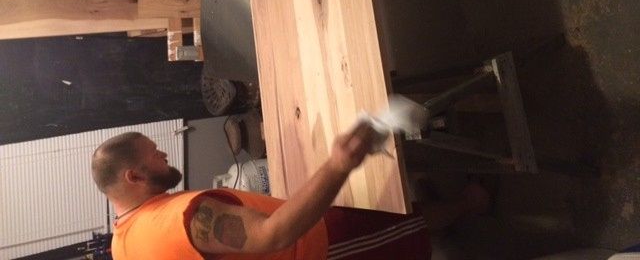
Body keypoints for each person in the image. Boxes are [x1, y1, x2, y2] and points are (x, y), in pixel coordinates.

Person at [91, 124, 489, 260]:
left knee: (390, 221)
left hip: (309, 240)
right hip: (318, 247)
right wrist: (339, 163)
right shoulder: (177, 221)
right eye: (154, 153)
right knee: (405, 227)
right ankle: (472, 203)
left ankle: (441, 216)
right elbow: (272, 234)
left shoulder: (124, 244)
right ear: (133, 176)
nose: (163, 154)